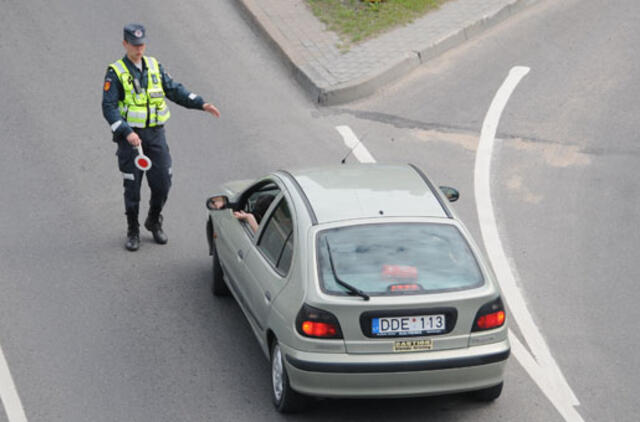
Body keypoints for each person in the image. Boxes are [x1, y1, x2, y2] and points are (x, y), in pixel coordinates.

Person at [102, 23, 221, 251]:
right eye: (135, 45)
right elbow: (109, 108)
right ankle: (133, 230)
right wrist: (127, 132)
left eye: (142, 44)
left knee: (163, 183)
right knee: (133, 187)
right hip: (131, 140)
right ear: (125, 44)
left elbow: (174, 90)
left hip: (155, 135)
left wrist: (201, 103)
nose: (139, 49)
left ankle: (153, 220)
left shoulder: (154, 66)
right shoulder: (115, 72)